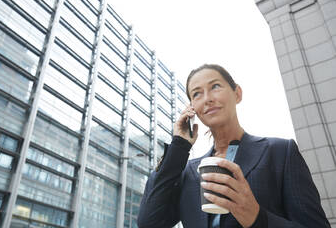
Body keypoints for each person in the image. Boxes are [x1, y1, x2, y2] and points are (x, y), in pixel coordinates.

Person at [137, 64, 330, 228]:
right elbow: (149, 222)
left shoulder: (280, 152)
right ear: (192, 108)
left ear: (237, 93)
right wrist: (179, 146)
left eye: (215, 86)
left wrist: (258, 218)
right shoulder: (188, 172)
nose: (207, 98)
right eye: (197, 94)